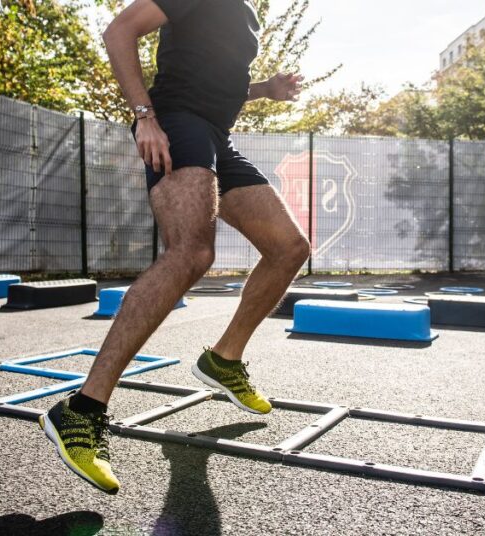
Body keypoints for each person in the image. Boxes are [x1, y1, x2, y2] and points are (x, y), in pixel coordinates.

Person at [39, 0, 311, 493]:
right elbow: (120, 30)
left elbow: (212, 79)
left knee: (290, 247)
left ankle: (223, 360)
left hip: (215, 137)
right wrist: (145, 116)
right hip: (175, 124)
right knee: (191, 251)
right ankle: (81, 409)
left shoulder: (247, 13)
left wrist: (264, 91)